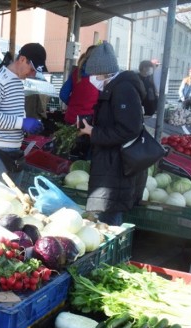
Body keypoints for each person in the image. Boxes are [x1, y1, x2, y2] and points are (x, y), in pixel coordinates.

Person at [77, 41, 147, 226]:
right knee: (106, 213)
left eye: (93, 74)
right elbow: (116, 120)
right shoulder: (115, 88)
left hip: (116, 166)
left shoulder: (123, 90)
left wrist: (94, 132)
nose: (91, 79)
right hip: (110, 164)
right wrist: (93, 124)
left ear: (103, 72)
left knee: (108, 217)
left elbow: (129, 129)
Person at [0, 43, 47, 186]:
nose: (33, 74)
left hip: (14, 152)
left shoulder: (17, 81)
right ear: (22, 59)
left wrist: (25, 126)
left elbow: (11, 114)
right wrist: (22, 123)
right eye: (32, 69)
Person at [59, 45, 99, 126]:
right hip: (89, 121)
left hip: (71, 117)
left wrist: (73, 104)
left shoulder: (77, 72)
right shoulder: (99, 75)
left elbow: (63, 94)